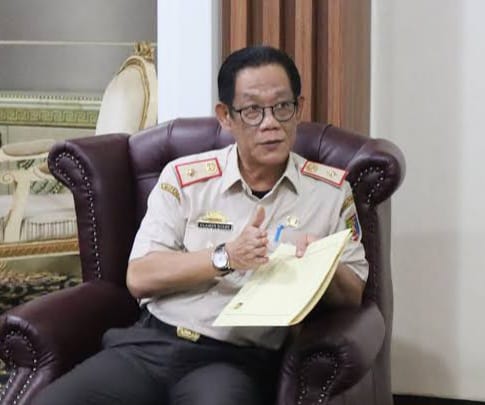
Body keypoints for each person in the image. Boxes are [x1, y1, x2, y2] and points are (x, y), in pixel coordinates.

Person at [34, 45, 368, 405]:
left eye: (282, 107)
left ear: (298, 109)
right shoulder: (185, 178)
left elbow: (354, 294)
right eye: (253, 110)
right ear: (225, 116)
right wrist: (226, 257)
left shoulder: (329, 192)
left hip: (233, 360)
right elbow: (140, 276)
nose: (270, 123)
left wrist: (321, 262)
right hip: (150, 345)